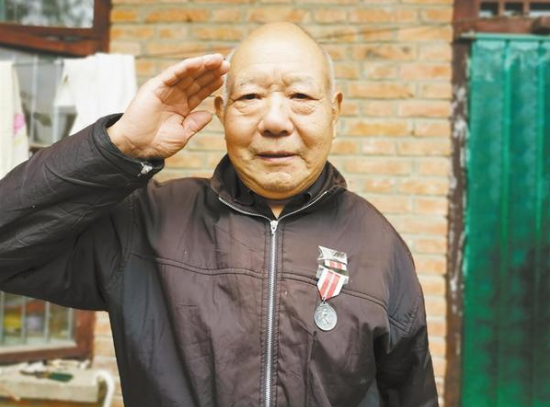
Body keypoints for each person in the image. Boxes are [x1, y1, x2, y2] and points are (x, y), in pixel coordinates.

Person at [0, 22, 438, 407]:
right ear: (221, 112)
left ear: (334, 111)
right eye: (250, 96)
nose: (275, 121)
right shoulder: (147, 222)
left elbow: (409, 394)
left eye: (301, 95)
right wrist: (120, 148)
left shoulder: (379, 246)